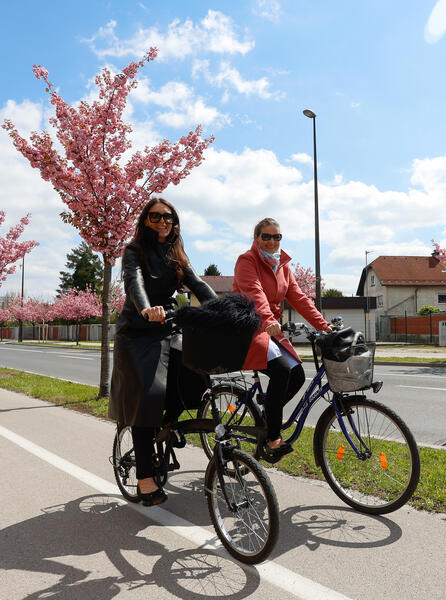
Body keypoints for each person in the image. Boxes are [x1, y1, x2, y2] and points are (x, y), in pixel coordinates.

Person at [109, 197, 215, 506]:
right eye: (155, 217)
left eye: (168, 217)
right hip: (138, 330)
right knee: (149, 396)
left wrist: (222, 309)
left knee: (198, 378)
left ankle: (166, 425)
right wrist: (145, 308)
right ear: (144, 221)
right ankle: (144, 480)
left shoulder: (176, 253)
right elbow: (134, 281)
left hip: (169, 325)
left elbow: (197, 284)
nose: (162, 222)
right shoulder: (133, 251)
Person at [233, 217, 332, 462]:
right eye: (266, 236)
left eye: (276, 237)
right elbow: (255, 294)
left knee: (297, 374)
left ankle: (268, 414)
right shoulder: (247, 261)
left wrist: (324, 326)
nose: (271, 241)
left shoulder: (283, 266)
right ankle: (273, 438)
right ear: (256, 238)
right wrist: (267, 320)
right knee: (280, 370)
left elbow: (299, 299)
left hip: (270, 328)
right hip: (248, 326)